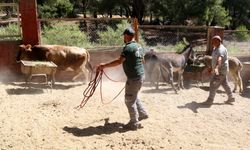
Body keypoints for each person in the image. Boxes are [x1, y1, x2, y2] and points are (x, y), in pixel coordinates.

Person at [97, 27, 148, 130]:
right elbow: (142, 61)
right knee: (134, 95)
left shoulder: (128, 48)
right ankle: (142, 113)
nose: (123, 38)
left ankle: (134, 123)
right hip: (141, 76)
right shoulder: (139, 46)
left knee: (129, 100)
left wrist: (104, 65)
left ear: (126, 36)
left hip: (134, 78)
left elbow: (119, 61)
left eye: (124, 36)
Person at [202, 35, 235, 106]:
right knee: (225, 84)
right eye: (212, 41)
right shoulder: (215, 48)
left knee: (213, 84)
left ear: (219, 41)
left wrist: (216, 68)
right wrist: (211, 67)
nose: (212, 43)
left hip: (220, 71)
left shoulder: (221, 49)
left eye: (214, 41)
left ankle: (210, 100)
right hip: (222, 70)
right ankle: (231, 97)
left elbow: (219, 59)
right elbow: (214, 59)